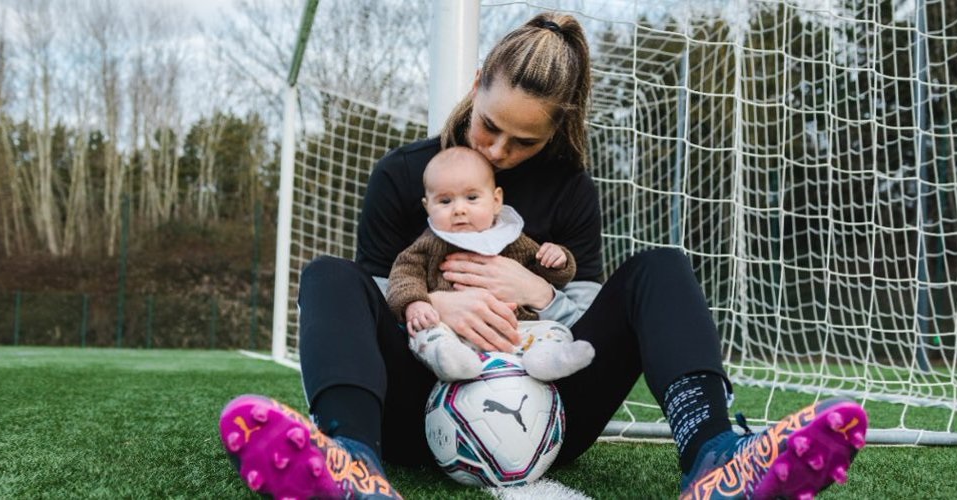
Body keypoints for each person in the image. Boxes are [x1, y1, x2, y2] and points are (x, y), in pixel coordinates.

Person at [217, 12, 868, 500]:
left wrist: (540, 294)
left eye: (522, 141)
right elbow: (372, 299)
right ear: (476, 85)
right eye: (488, 125)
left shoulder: (570, 191)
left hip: (549, 410)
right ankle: (353, 460)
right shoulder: (405, 175)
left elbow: (582, 311)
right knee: (329, 276)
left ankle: (716, 457)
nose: (498, 149)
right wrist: (435, 299)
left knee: (660, 268)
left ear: (556, 129)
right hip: (416, 408)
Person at [388, 146, 595, 382]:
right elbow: (403, 276)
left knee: (553, 331)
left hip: (516, 330)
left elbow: (545, 270)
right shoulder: (427, 246)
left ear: (496, 201)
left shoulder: (513, 239)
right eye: (445, 201)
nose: (459, 209)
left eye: (472, 198)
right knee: (426, 333)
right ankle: (451, 361)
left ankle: (547, 359)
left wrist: (557, 259)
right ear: (428, 207)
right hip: (453, 331)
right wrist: (415, 303)